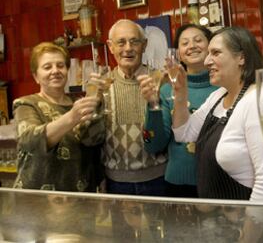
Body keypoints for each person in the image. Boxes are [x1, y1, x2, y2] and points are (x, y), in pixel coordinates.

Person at [170, 26, 263, 201]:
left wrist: (251, 227)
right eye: (208, 54)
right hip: (223, 220)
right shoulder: (218, 95)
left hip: (253, 218)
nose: (207, 61)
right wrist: (181, 94)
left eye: (215, 53)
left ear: (241, 57)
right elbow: (183, 133)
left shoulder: (260, 98)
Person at [138, 24, 218, 198]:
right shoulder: (167, 91)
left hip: (219, 180)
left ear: (211, 46)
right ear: (179, 53)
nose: (192, 46)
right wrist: (153, 105)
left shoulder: (224, 86)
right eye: (185, 43)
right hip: (178, 184)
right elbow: (153, 144)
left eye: (198, 40)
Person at [13, 42, 104, 191]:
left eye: (60, 65)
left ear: (68, 71)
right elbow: (30, 141)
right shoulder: (26, 104)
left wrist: (98, 98)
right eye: (47, 67)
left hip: (80, 198)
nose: (55, 71)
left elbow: (93, 143)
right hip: (37, 200)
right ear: (36, 76)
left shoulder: (79, 103)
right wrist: (72, 117)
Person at [103, 19, 167, 196]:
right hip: (116, 183)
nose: (128, 48)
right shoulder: (101, 85)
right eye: (121, 42)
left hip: (159, 178)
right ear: (110, 47)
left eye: (135, 41)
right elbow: (90, 140)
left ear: (144, 45)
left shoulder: (162, 80)